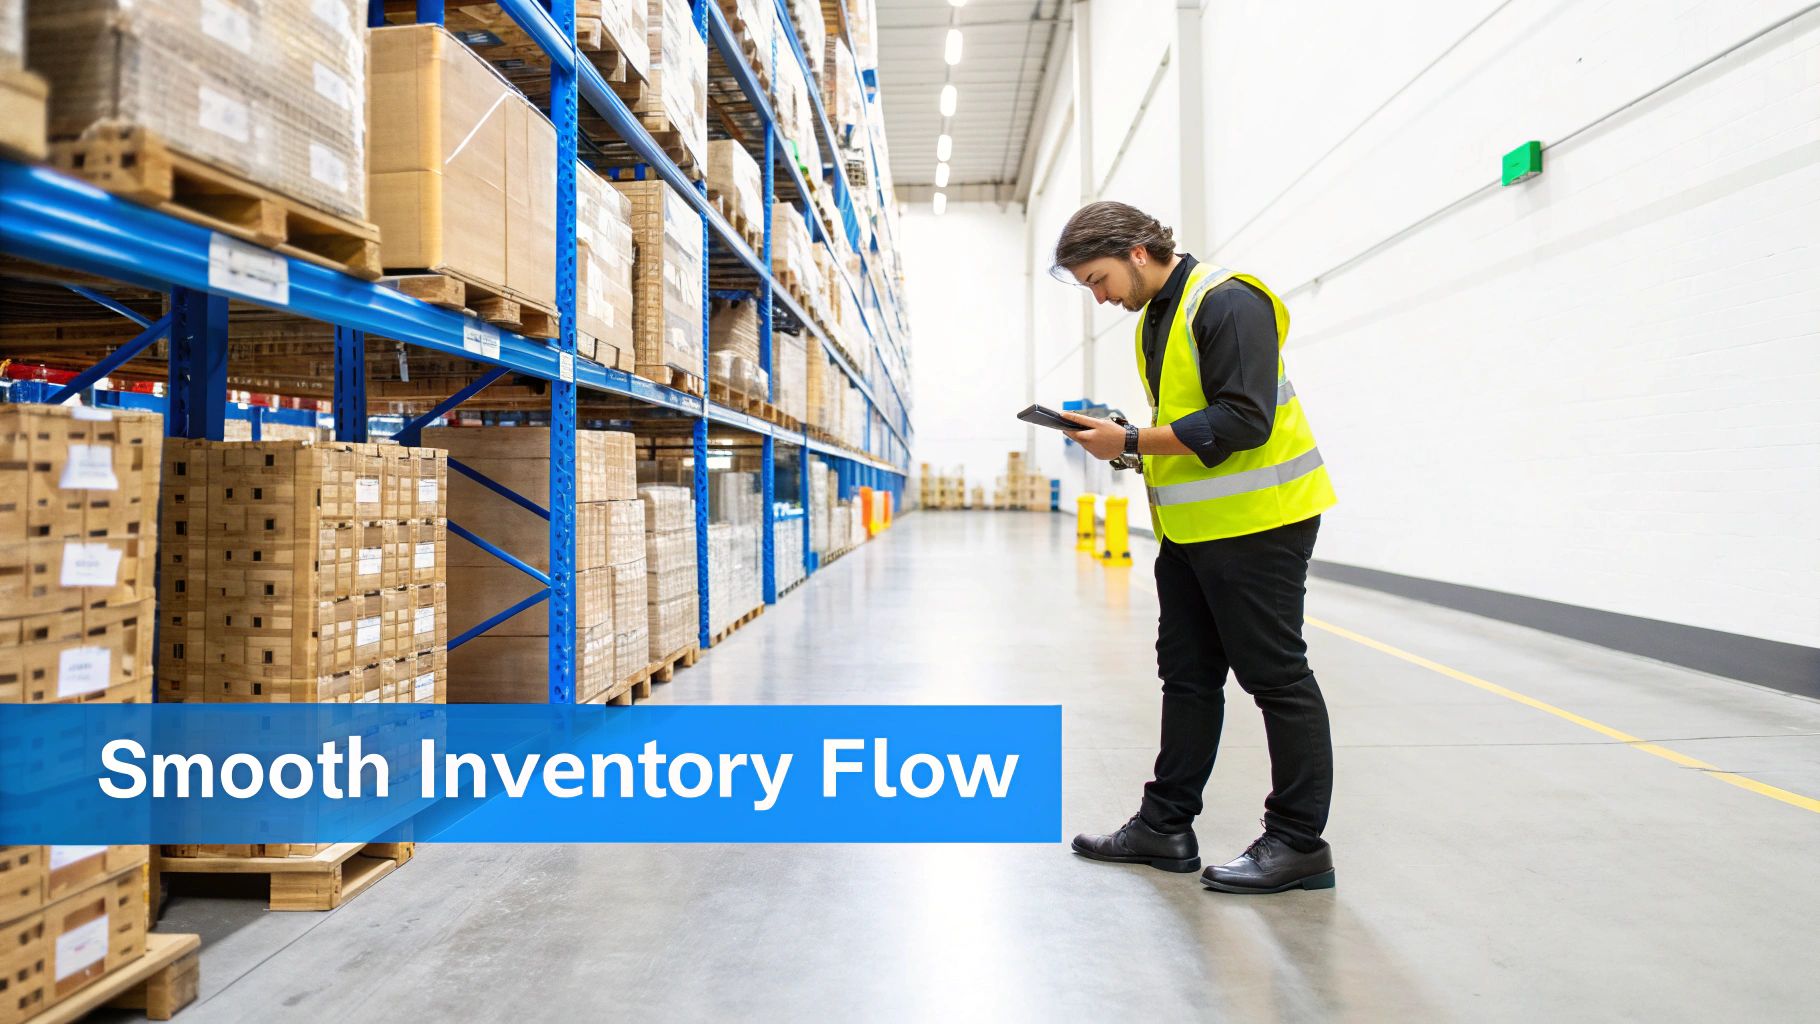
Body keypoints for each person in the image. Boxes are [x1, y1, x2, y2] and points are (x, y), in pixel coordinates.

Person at [1053, 201, 1339, 895]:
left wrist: (1125, 442)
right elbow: (1186, 428)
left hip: (1261, 524)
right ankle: (1164, 825)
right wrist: (1124, 441)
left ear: (1137, 251)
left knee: (1275, 677)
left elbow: (1243, 419)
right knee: (1186, 676)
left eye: (1098, 278)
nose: (1099, 296)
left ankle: (1300, 843)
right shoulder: (1156, 317)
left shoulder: (1229, 301)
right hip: (1193, 531)